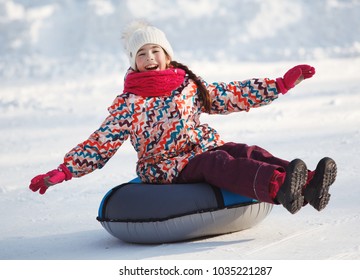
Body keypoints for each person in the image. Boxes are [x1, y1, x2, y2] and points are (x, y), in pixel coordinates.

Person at [29, 21, 337, 214]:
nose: (149, 58)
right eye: (141, 54)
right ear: (134, 62)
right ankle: (278, 187)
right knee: (217, 164)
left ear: (167, 55)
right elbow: (101, 143)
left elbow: (229, 95)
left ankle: (309, 182)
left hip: (200, 148)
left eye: (154, 51)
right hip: (164, 166)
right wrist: (63, 171)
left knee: (243, 151)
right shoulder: (130, 102)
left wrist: (280, 84)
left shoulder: (187, 85)